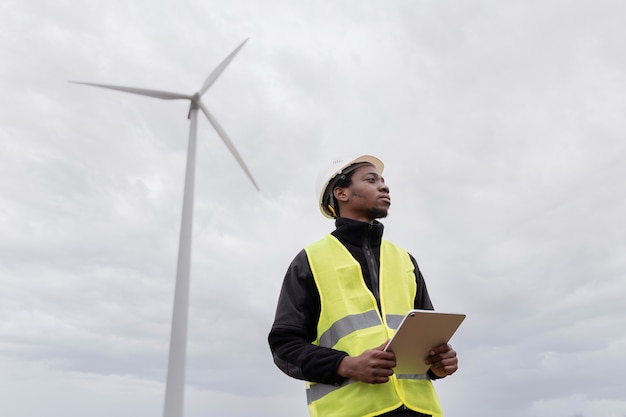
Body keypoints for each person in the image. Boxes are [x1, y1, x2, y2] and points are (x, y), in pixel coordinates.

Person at [268, 155, 458, 417]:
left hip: (420, 411)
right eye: (371, 180)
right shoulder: (310, 261)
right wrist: (345, 365)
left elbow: (428, 338)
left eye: (383, 181)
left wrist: (438, 363)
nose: (384, 186)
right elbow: (284, 347)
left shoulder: (405, 260)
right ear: (341, 192)